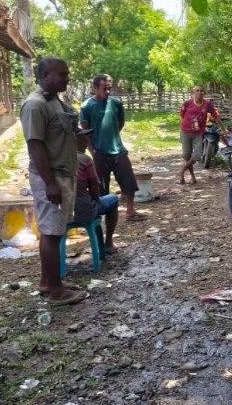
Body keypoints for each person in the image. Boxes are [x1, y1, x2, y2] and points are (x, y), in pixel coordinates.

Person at [20, 56, 88, 306]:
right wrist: (49, 183)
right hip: (52, 177)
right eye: (62, 75)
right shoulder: (35, 105)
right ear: (45, 75)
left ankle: (48, 282)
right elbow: (35, 145)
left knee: (56, 232)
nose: (67, 78)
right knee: (50, 233)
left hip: (63, 174)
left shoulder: (55, 102)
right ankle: (57, 293)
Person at [79, 74, 146, 221]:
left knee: (128, 180)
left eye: (110, 88)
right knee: (101, 185)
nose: (108, 92)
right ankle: (105, 214)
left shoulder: (116, 104)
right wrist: (92, 149)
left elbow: (120, 123)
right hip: (99, 153)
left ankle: (130, 210)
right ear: (95, 88)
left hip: (118, 150)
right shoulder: (87, 107)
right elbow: (85, 131)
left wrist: (113, 138)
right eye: (104, 88)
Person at [74, 127, 119, 252]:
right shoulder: (85, 160)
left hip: (61, 213)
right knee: (113, 199)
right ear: (74, 140)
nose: (86, 141)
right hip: (83, 211)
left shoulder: (56, 158)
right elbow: (95, 192)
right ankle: (108, 243)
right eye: (82, 138)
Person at [178, 86, 227, 184]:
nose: (199, 92)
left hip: (198, 133)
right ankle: (193, 177)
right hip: (185, 132)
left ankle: (182, 170)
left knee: (197, 155)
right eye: (197, 91)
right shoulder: (187, 103)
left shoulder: (207, 104)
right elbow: (182, 115)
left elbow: (216, 117)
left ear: (204, 93)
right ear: (193, 92)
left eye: (201, 91)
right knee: (187, 156)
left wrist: (224, 130)